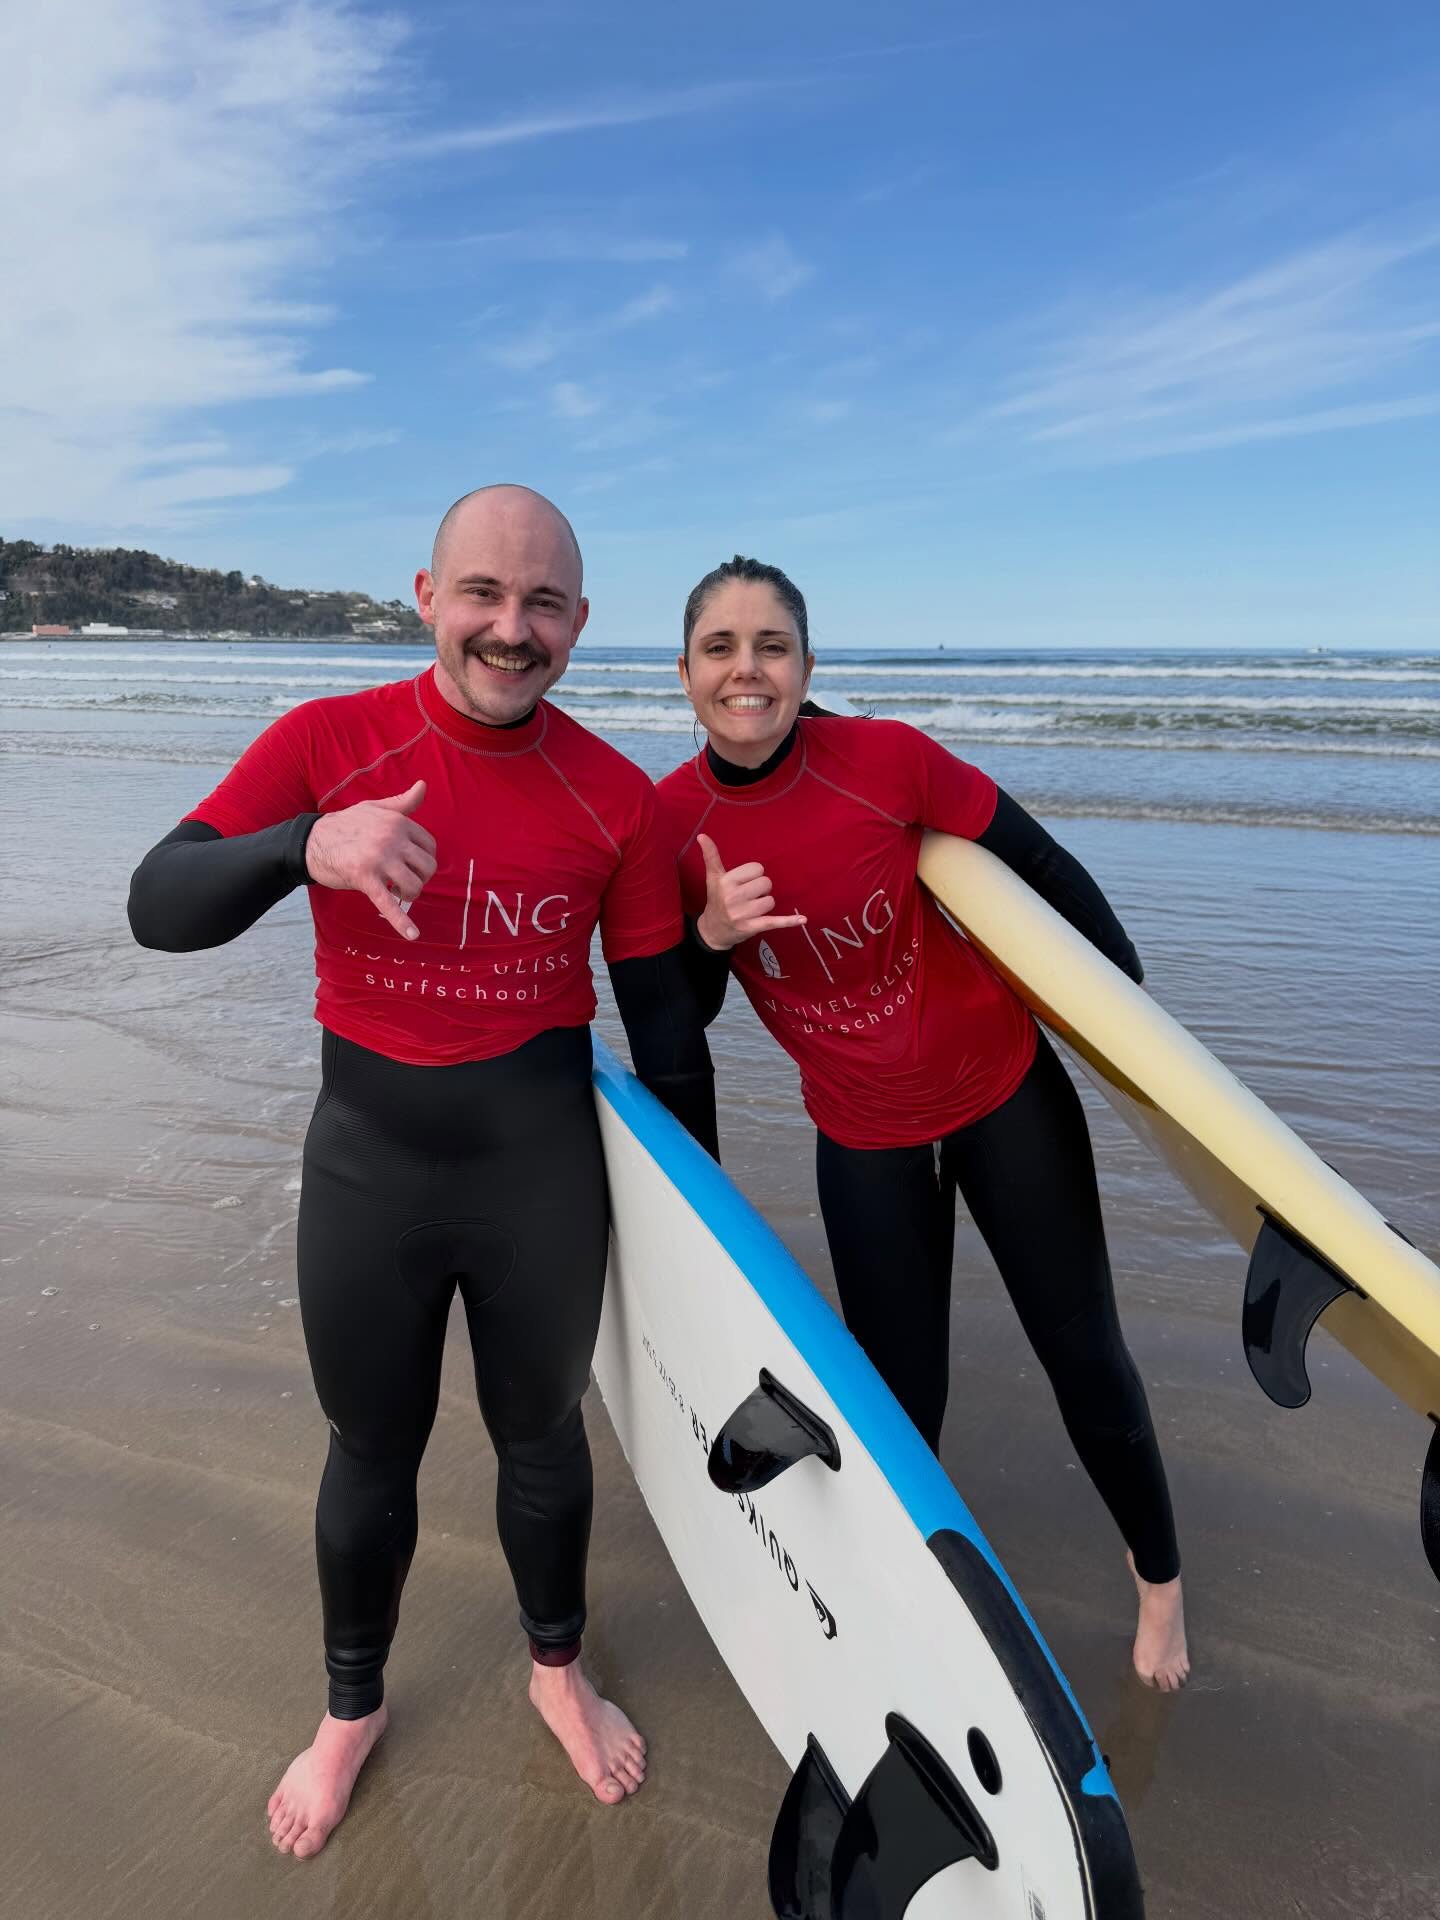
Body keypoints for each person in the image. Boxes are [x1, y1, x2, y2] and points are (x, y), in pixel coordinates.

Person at [127, 486, 718, 1857]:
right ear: (425, 596)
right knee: (369, 1454)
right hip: (369, 1177)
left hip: (538, 1179)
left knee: (544, 1444)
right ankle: (352, 1710)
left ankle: (558, 1673)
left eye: (544, 604)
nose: (511, 631)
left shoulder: (610, 794)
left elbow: (664, 1029)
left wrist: (702, 1228)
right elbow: (160, 904)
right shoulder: (333, 743)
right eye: (484, 597)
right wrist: (302, 848)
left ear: (579, 621)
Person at [656, 555, 1189, 1691]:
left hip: (1005, 1096)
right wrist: (707, 934)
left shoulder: (884, 760)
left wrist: (1136, 1025)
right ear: (687, 670)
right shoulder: (673, 820)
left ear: (807, 666)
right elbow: (682, 1015)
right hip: (864, 1135)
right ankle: (918, 1602)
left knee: (1085, 1355)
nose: (747, 670)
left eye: (772, 647)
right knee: (903, 1397)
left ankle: (1160, 1588)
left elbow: (1038, 861)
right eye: (720, 648)